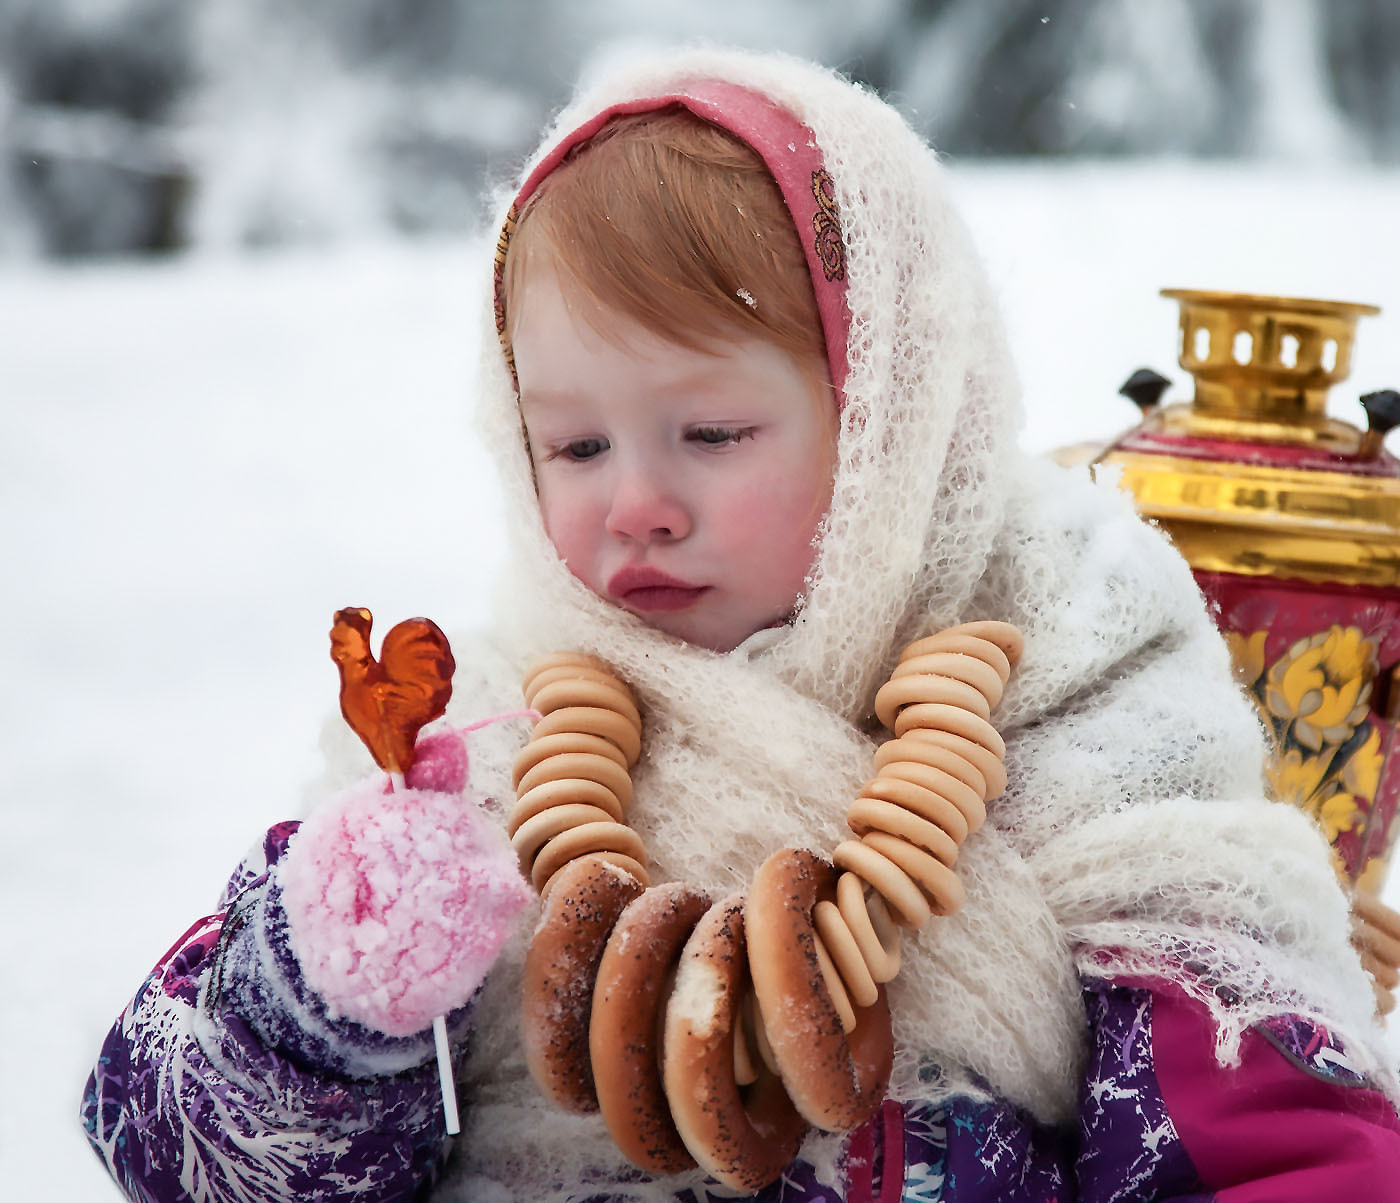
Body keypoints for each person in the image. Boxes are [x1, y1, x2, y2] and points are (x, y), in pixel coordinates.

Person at [83, 47, 1400, 1203]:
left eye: (710, 434)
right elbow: (192, 1153)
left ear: (889, 416)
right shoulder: (473, 753)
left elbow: (1263, 1136)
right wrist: (331, 992)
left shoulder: (1077, 680)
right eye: (575, 442)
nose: (638, 505)